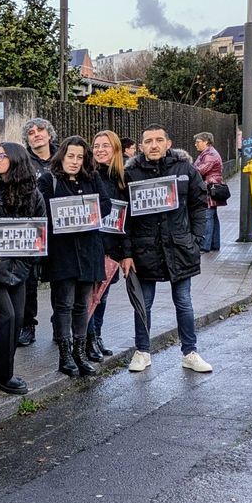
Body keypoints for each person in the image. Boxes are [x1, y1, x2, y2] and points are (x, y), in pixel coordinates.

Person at [122, 123, 212, 374]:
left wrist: (196, 239)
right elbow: (126, 218)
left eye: (158, 140)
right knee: (144, 304)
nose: (153, 145)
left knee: (183, 302)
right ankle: (142, 351)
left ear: (168, 143)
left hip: (180, 248)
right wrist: (127, 252)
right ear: (141, 146)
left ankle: (190, 352)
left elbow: (198, 205)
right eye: (148, 141)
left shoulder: (185, 169)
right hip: (145, 251)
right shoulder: (131, 174)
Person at [38, 137, 111, 378]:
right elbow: (43, 209)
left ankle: (80, 352)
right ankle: (65, 355)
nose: (75, 161)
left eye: (80, 157)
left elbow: (106, 205)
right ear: (62, 155)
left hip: (89, 250)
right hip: (63, 253)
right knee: (64, 304)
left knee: (83, 304)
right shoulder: (49, 179)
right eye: (71, 156)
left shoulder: (92, 178)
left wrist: (85, 209)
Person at [0, 143, 44, 396]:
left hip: (19, 267)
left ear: (16, 161)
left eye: (2, 156)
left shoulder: (33, 195)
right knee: (6, 317)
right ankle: (0, 375)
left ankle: (4, 371)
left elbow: (39, 233)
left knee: (17, 319)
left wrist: (26, 264)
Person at [86, 130, 127, 362]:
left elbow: (126, 219)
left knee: (103, 296)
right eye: (97, 145)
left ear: (116, 150)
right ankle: (88, 338)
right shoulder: (90, 175)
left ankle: (97, 335)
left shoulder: (122, 179)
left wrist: (122, 252)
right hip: (92, 245)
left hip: (111, 247)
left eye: (105, 146)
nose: (100, 149)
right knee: (89, 296)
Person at [18, 117, 59, 348]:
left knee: (59, 278)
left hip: (59, 228)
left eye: (40, 130)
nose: (36, 134)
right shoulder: (23, 161)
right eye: (31, 132)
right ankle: (28, 325)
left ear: (49, 134)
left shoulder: (62, 157)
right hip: (32, 227)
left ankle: (59, 323)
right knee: (29, 280)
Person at [193, 132, 225, 252]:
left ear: (206, 142)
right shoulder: (206, 153)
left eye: (198, 141)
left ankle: (205, 245)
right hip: (211, 186)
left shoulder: (209, 155)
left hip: (209, 188)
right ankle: (214, 244)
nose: (196, 144)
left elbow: (199, 171)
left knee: (207, 216)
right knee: (212, 216)